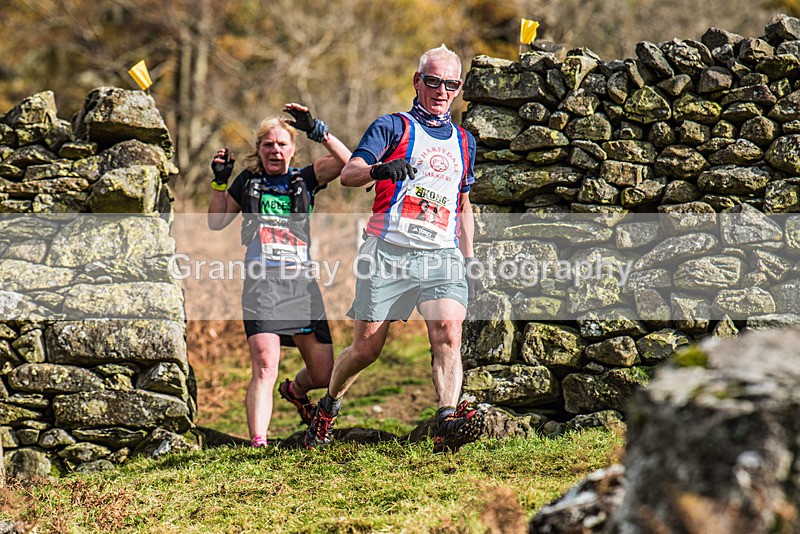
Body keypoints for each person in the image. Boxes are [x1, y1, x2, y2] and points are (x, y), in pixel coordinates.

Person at [304, 45, 482, 453]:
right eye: (433, 81)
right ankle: (328, 407)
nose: (441, 90)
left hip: (441, 253)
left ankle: (446, 421)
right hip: (387, 250)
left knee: (448, 333)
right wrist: (380, 169)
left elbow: (463, 204)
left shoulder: (465, 142)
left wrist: (469, 260)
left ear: (457, 89)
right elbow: (349, 174)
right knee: (367, 349)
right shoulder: (392, 126)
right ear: (417, 82)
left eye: (450, 84)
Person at [208, 103, 351, 447]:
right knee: (264, 365)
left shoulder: (305, 178)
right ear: (258, 150)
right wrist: (218, 180)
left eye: (282, 144)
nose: (275, 150)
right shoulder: (248, 182)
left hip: (301, 287)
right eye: (268, 144)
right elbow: (215, 221)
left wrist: (319, 130)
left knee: (323, 374)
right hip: (262, 286)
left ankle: (295, 390)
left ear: (293, 148)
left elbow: (351, 164)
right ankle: (259, 442)